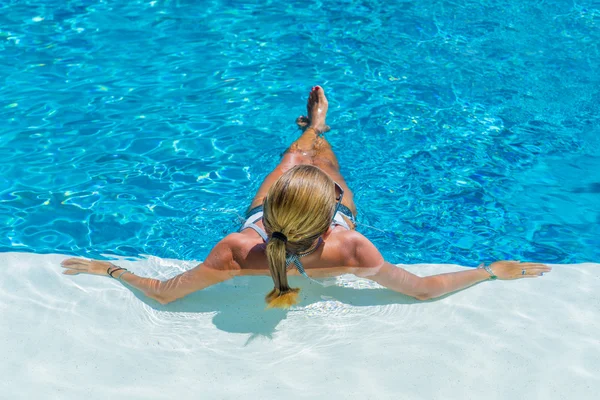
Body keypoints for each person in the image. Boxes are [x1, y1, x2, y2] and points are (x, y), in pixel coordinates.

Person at [61, 86, 552, 308]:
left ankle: (311, 130)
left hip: (287, 219)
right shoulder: (352, 248)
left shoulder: (237, 247)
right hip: (303, 217)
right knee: (322, 164)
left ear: (271, 207)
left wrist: (110, 269)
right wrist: (489, 270)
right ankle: (318, 131)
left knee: (294, 160)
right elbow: (421, 290)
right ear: (332, 216)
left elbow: (165, 295)